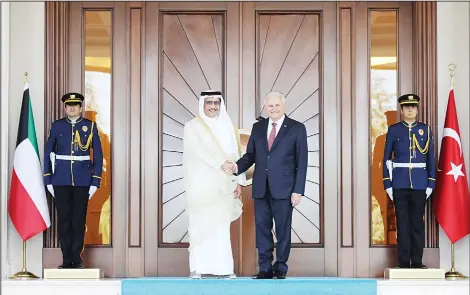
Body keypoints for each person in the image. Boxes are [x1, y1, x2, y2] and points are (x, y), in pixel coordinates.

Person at [227, 91, 308, 279]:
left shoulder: (297, 128)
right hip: (261, 187)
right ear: (266, 107)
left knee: (282, 231)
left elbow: (302, 162)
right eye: (270, 106)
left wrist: (298, 190)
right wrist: (236, 166)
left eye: (277, 105)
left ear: (284, 106)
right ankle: (265, 268)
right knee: (262, 229)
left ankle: (280, 267)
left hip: (285, 189)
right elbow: (251, 156)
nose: (274, 109)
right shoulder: (258, 127)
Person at [183, 90, 246, 279]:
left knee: (221, 227)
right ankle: (198, 268)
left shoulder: (229, 127)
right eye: (208, 103)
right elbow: (197, 151)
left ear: (220, 105)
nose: (212, 107)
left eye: (216, 103)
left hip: (224, 186)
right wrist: (221, 163)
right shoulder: (192, 127)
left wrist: (240, 182)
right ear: (202, 104)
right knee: (199, 226)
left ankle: (224, 269)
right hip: (201, 186)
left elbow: (239, 156)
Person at [43, 92, 103, 269]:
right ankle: (66, 259)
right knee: (64, 220)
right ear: (65, 107)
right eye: (69, 105)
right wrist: (48, 180)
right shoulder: (57, 126)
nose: (72, 107)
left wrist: (95, 182)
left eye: (75, 105)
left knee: (78, 220)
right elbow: (48, 154)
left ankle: (76, 259)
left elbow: (98, 156)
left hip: (83, 181)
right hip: (60, 180)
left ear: (80, 107)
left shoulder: (90, 126)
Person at [382, 93, 435, 269]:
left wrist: (431, 182)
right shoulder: (394, 130)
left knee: (417, 224)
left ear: (417, 109)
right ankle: (403, 262)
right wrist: (388, 183)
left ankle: (417, 261)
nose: (410, 109)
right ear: (402, 110)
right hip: (400, 182)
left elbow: (431, 159)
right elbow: (386, 158)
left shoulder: (425, 130)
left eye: (413, 106)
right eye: (407, 107)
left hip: (420, 183)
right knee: (402, 223)